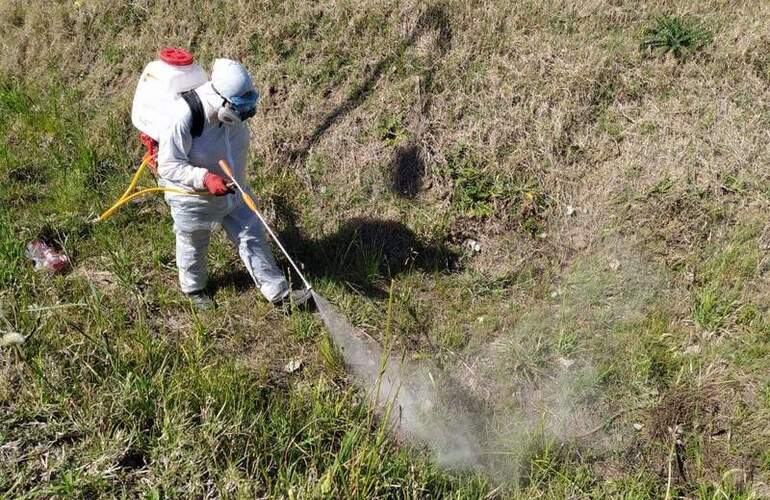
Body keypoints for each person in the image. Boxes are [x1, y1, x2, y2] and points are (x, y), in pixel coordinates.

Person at [156, 58, 309, 310]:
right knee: (194, 242)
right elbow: (168, 165)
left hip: (233, 188)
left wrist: (231, 181)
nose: (247, 112)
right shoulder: (184, 115)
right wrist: (204, 178)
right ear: (222, 101)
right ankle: (194, 289)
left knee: (252, 233)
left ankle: (279, 294)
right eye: (242, 106)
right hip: (192, 198)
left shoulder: (230, 117)